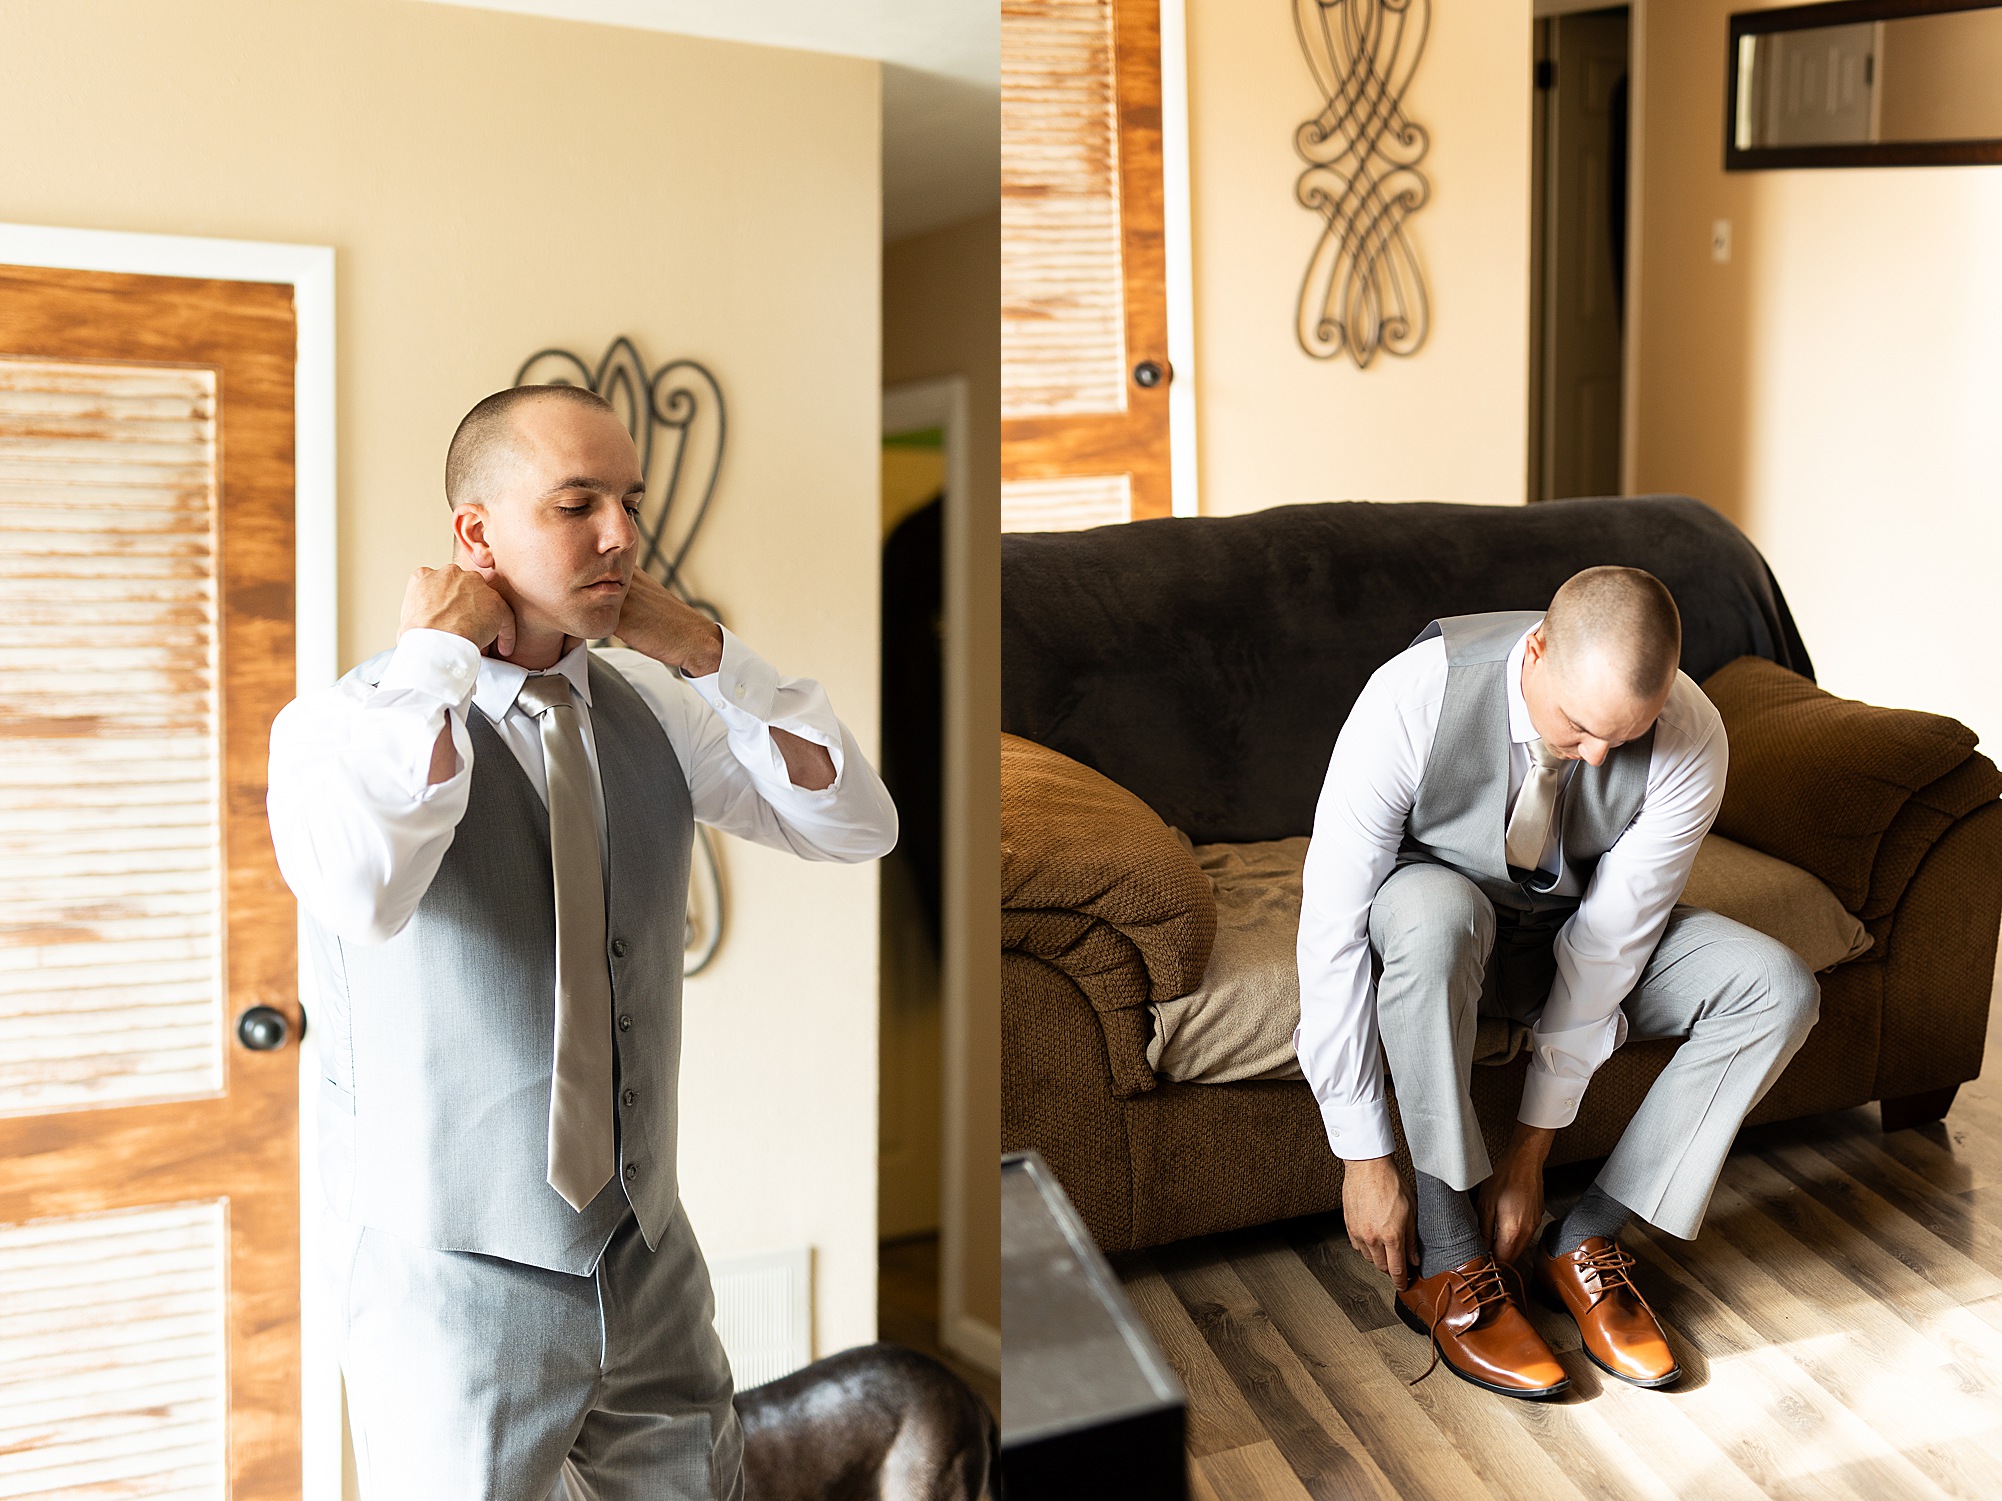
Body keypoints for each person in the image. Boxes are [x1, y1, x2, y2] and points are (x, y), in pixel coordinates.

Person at [267, 384, 897, 1498]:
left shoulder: (659, 712)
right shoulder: (347, 725)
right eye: (576, 504)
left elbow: (854, 823)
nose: (619, 534)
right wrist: (435, 657)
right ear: (476, 534)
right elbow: (365, 891)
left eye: (629, 502)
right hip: (451, 1293)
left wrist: (704, 649)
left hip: (647, 1265)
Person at [1295, 566, 1820, 1399]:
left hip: (1570, 933)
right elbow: (1331, 926)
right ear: (1536, 650)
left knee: (1776, 987)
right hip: (1440, 926)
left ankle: (1584, 1239)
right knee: (1433, 918)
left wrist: (1531, 1151)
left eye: (1627, 733)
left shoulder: (1692, 734)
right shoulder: (1411, 695)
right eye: (1578, 725)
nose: (1600, 754)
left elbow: (1609, 944)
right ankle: (1448, 1253)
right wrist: (1363, 1155)